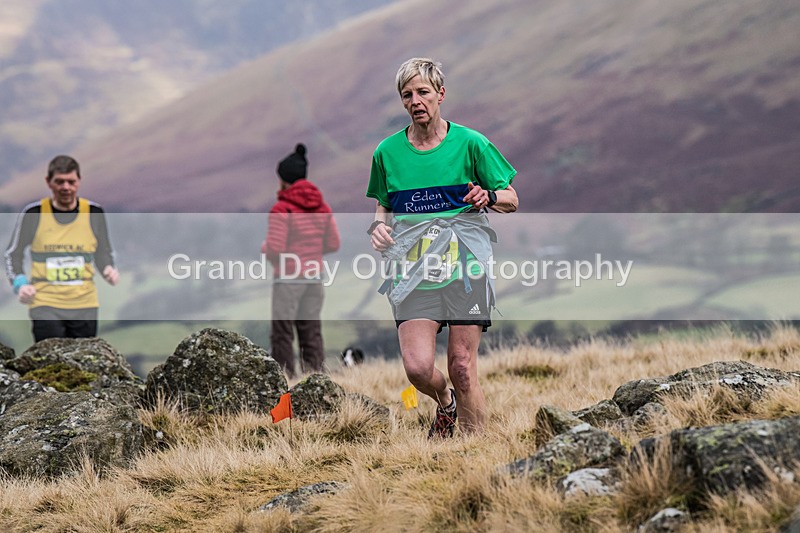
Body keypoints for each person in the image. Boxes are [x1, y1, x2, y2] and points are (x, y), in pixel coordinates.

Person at [367, 58, 518, 437]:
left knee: (463, 367)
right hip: (413, 273)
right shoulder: (387, 153)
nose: (416, 101)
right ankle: (446, 404)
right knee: (417, 368)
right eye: (407, 95)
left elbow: (512, 198)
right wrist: (378, 228)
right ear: (402, 102)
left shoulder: (471, 144)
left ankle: (472, 453)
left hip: (466, 269)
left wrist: (490, 195)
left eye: (423, 92)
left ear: (440, 95)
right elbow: (383, 204)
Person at [4, 155, 119, 342]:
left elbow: (103, 251)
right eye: (59, 182)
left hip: (85, 304)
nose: (66, 187)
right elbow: (12, 254)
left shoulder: (93, 212)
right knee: (50, 363)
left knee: (84, 365)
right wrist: (20, 284)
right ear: (48, 182)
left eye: (71, 182)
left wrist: (108, 268)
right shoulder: (34, 214)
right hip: (45, 302)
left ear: (79, 182)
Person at [262, 143, 341, 378]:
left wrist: (264, 248)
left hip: (288, 279)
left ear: (284, 179)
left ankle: (286, 380)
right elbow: (333, 244)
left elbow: (275, 248)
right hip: (314, 278)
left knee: (283, 333)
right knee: (311, 332)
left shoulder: (282, 209)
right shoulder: (322, 207)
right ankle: (317, 381)